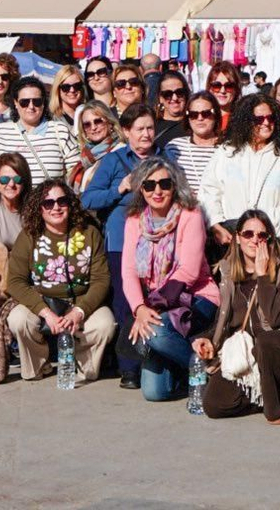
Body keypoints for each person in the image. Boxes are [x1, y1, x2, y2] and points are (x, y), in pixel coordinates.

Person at [193, 209, 280, 423]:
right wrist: (208, 338)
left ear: (270, 239)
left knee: (265, 340)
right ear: (237, 238)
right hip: (247, 355)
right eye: (248, 234)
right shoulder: (229, 272)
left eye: (262, 235)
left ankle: (277, 408)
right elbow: (225, 319)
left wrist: (263, 276)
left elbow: (276, 319)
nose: (255, 240)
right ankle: (265, 395)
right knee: (214, 405)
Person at [82, 104, 174, 389]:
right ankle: (129, 368)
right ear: (126, 132)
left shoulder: (165, 158)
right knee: (125, 306)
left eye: (149, 128)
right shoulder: (113, 161)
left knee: (157, 302)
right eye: (139, 129)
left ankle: (157, 361)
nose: (146, 134)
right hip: (122, 245)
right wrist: (119, 189)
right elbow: (87, 200)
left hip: (160, 242)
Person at [122, 157, 220, 402]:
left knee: (155, 331)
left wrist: (150, 309)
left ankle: (207, 372)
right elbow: (129, 271)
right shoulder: (135, 220)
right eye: (149, 185)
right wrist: (139, 308)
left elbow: (188, 271)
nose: (157, 191)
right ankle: (184, 362)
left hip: (197, 296)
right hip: (158, 306)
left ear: (174, 186)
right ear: (140, 189)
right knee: (155, 392)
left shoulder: (190, 214)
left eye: (165, 184)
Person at [4, 179, 116, 384]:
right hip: (43, 300)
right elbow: (15, 281)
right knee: (18, 320)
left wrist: (78, 311)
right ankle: (39, 364)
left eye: (62, 201)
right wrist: (45, 312)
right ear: (39, 208)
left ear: (70, 204)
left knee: (105, 324)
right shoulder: (30, 235)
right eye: (48, 203)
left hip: (80, 299)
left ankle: (84, 365)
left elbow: (101, 279)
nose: (56, 207)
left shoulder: (89, 233)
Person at [201, 93, 280, 251]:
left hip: (273, 244)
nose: (266, 123)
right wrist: (216, 225)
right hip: (231, 244)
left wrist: (260, 232)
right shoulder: (227, 152)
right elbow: (210, 190)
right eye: (259, 119)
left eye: (271, 118)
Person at [0, 76, 78, 185]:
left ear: (44, 103)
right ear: (16, 103)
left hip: (49, 201)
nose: (31, 106)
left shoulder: (60, 130)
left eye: (37, 101)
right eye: (24, 102)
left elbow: (75, 167)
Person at [167, 92, 221, 199]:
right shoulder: (174, 147)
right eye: (193, 114)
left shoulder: (227, 149)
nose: (200, 118)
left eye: (206, 113)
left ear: (216, 115)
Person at [71, 100, 120, 192]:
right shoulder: (85, 156)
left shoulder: (120, 151)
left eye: (98, 121)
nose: (93, 128)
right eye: (87, 124)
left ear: (109, 122)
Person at [152, 70, 191, 149]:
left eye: (179, 92)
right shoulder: (151, 127)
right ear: (160, 98)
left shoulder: (195, 123)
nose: (174, 98)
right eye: (168, 94)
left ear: (186, 94)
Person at [205, 62, 241, 132]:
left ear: (236, 89)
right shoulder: (199, 117)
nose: (222, 91)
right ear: (209, 88)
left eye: (229, 86)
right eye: (216, 86)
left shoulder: (242, 120)